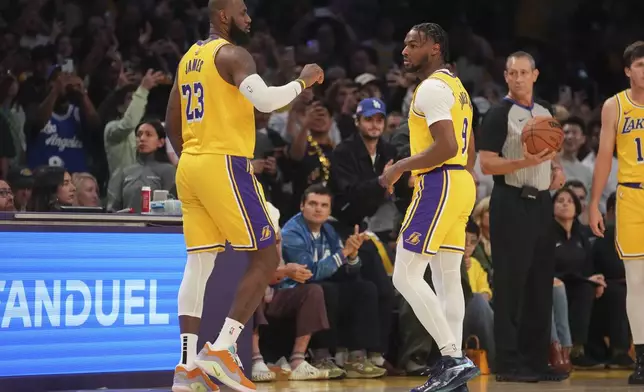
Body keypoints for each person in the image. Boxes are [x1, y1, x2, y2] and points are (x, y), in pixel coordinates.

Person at [163, 0, 324, 390]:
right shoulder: (232, 54)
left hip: (191, 165)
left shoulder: (189, 59)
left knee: (199, 263)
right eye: (243, 11)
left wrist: (195, 158)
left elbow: (171, 121)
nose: (249, 18)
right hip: (223, 162)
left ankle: (186, 367)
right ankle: (221, 349)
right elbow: (266, 100)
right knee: (267, 253)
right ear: (223, 15)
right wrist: (303, 80)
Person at [379, 23, 479, 392]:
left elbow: (448, 145)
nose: (404, 51)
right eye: (404, 44)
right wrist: (456, 182)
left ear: (435, 48)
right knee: (447, 280)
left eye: (413, 44)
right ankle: (456, 378)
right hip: (460, 183)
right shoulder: (457, 87)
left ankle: (452, 358)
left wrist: (400, 167)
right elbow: (468, 150)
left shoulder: (432, 87)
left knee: (404, 275)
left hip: (440, 182)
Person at [477, 51, 567, 383]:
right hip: (510, 201)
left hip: (542, 203)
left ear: (535, 74)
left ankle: (535, 360)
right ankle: (508, 364)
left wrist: (556, 171)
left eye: (523, 73)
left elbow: (552, 153)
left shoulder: (546, 112)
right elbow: (486, 163)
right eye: (512, 73)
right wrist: (524, 164)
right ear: (505, 76)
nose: (518, 78)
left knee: (539, 285)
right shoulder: (498, 114)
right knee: (511, 285)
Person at [588, 40, 644, 385]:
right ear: (627, 70)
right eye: (639, 65)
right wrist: (594, 202)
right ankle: (641, 358)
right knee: (637, 283)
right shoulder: (615, 106)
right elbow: (604, 157)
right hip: (631, 197)